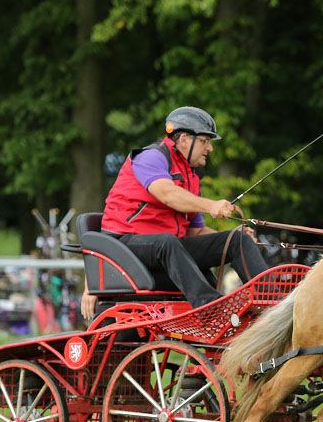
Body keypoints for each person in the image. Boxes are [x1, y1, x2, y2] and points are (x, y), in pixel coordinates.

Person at [83, 106, 268, 320]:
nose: (210, 148)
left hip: (164, 251)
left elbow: (195, 233)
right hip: (124, 246)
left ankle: (273, 304)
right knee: (168, 242)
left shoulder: (191, 177)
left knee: (237, 240)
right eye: (204, 141)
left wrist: (234, 236)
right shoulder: (150, 157)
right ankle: (211, 309)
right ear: (184, 140)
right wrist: (210, 206)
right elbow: (167, 194)